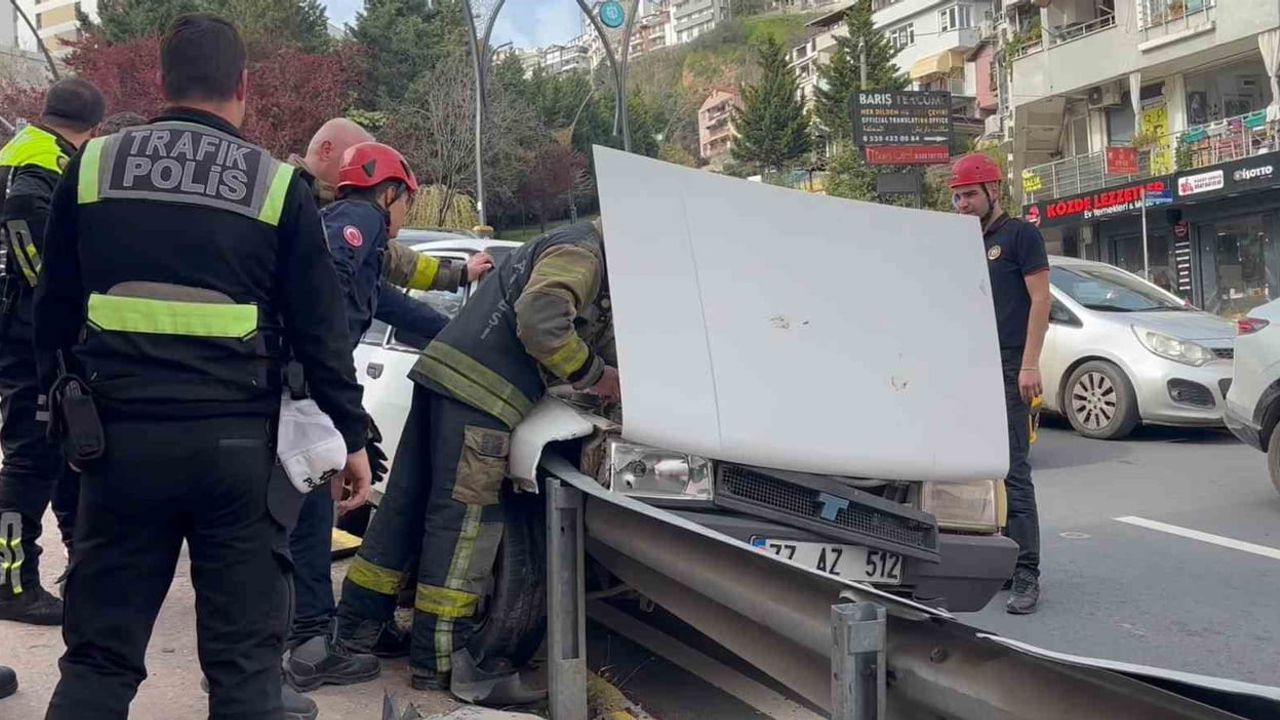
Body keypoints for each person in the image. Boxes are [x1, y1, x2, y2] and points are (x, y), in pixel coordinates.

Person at [36, 14, 371, 720]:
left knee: (98, 662)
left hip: (117, 445)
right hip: (237, 457)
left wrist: (63, 415)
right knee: (246, 673)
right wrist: (351, 436)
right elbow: (322, 332)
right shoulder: (278, 187)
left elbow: (52, 312)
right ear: (244, 86)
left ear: (163, 83)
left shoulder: (92, 168)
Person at [336, 218, 616, 704]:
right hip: (483, 395)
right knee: (464, 526)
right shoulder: (584, 253)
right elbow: (541, 317)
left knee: (402, 511)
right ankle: (443, 661)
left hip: (445, 375)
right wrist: (594, 374)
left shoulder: (565, 243)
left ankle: (359, 627)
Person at [283, 141, 492, 693]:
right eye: (405, 203)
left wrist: (456, 331)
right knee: (305, 516)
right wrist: (342, 406)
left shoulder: (353, 229)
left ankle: (303, 636)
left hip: (296, 393)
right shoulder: (360, 218)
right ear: (390, 192)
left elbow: (392, 304)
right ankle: (305, 645)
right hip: (302, 394)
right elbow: (328, 287)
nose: (402, 216)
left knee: (299, 517)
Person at [0, 77, 105, 627]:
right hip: (27, 341)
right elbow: (30, 245)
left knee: (64, 456)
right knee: (29, 464)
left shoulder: (25, 150)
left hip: (26, 335)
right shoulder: (39, 161)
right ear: (93, 130)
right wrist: (65, 309)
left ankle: (81, 567)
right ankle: (12, 583)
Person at [950, 153, 1050, 615]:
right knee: (976, 468)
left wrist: (1030, 364)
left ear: (993, 191)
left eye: (970, 194)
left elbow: (1040, 301)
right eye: (956, 196)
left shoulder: (1020, 236)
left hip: (1011, 365)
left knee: (1014, 470)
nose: (962, 203)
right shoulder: (959, 243)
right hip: (971, 366)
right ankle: (995, 561)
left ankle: (1027, 573)